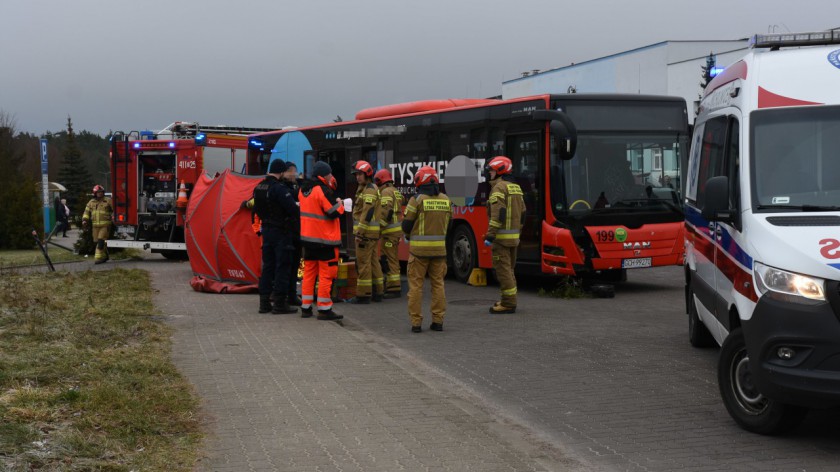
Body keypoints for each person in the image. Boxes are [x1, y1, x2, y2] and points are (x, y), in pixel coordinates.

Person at [402, 166, 452, 333]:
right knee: (438, 285)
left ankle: (416, 323)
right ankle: (438, 322)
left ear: (419, 180)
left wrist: (409, 234)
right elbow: (449, 225)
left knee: (416, 287)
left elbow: (406, 224)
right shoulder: (446, 199)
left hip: (418, 253)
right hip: (439, 252)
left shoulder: (416, 200)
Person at [298, 161, 345, 321]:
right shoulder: (322, 190)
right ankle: (324, 309)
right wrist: (341, 204)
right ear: (324, 175)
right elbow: (333, 212)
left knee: (309, 274)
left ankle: (306, 307)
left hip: (308, 241)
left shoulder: (303, 190)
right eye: (330, 173)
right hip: (326, 241)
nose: (332, 176)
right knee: (326, 275)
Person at [252, 159, 299, 315]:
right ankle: (280, 303)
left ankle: (264, 303)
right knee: (282, 267)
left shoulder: (258, 187)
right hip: (281, 233)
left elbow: (256, 209)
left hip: (266, 231)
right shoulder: (278, 188)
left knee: (268, 268)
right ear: (280, 172)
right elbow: (292, 209)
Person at [483, 156, 526, 314]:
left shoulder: (499, 188)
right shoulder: (516, 187)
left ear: (499, 171)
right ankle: (509, 299)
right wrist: (518, 231)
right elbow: (523, 213)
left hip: (501, 240)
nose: (490, 174)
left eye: (492, 170)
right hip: (514, 238)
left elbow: (498, 215)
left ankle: (508, 303)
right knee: (509, 270)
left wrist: (490, 236)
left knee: (503, 271)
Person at [350, 160, 383, 304]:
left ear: (367, 174)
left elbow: (367, 212)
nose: (357, 177)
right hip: (371, 234)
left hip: (366, 234)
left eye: (360, 174)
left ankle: (363, 295)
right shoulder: (366, 188)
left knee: (363, 263)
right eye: (356, 174)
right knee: (373, 262)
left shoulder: (369, 189)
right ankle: (378, 292)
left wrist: (360, 232)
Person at [374, 168, 404, 298]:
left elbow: (386, 211)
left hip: (389, 231)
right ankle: (392, 285)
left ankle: (394, 288)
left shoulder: (385, 192)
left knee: (390, 259)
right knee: (391, 257)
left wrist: (378, 228)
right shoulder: (396, 191)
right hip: (396, 231)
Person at [283, 161, 303, 306]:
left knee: (294, 265)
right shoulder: (282, 189)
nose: (294, 174)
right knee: (285, 266)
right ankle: (283, 295)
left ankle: (291, 294)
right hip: (285, 233)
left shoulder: (294, 187)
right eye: (292, 171)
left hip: (296, 233)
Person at [82, 185, 113, 264]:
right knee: (97, 242)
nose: (100, 194)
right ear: (95, 193)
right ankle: (105, 255)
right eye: (98, 192)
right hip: (95, 226)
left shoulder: (108, 201)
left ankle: (98, 258)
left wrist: (113, 217)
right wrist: (85, 220)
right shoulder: (91, 202)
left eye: (101, 192)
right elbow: (86, 212)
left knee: (100, 241)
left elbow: (115, 210)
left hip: (105, 225)